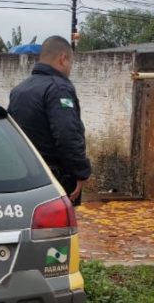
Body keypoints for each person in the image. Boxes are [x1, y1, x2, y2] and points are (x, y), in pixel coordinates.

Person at [7, 36, 92, 205]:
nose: (69, 69)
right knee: (59, 228)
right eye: (71, 63)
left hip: (23, 175)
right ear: (63, 59)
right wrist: (81, 172)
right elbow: (67, 133)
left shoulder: (19, 90)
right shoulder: (58, 88)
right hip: (54, 178)